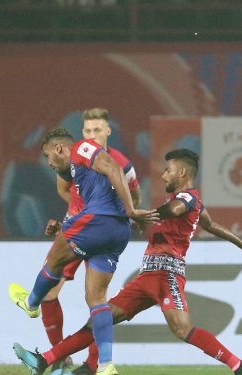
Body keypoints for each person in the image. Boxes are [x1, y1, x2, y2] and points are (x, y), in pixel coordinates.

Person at [14, 149, 242, 375]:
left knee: (182, 328)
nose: (164, 175)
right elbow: (210, 225)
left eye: (168, 170)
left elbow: (177, 210)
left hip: (167, 274)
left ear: (182, 172)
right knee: (99, 320)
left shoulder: (188, 197)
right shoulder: (183, 201)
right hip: (147, 277)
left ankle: (239, 367)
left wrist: (148, 216)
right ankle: (44, 360)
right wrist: (241, 243)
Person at [8, 127, 156, 375]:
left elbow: (113, 168)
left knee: (54, 259)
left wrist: (131, 209)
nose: (48, 162)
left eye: (47, 156)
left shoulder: (81, 149)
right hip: (117, 232)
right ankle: (106, 365)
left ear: (59, 148)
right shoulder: (79, 174)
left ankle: (31, 303)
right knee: (96, 299)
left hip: (102, 219)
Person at [40, 108, 141, 374]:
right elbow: (63, 188)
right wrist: (73, 219)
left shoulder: (122, 164)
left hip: (102, 228)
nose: (92, 135)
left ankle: (94, 363)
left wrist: (126, 215)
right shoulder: (74, 157)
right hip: (78, 227)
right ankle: (61, 358)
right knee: (49, 292)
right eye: (87, 131)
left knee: (96, 298)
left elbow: (135, 195)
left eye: (98, 130)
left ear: (108, 131)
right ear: (82, 133)